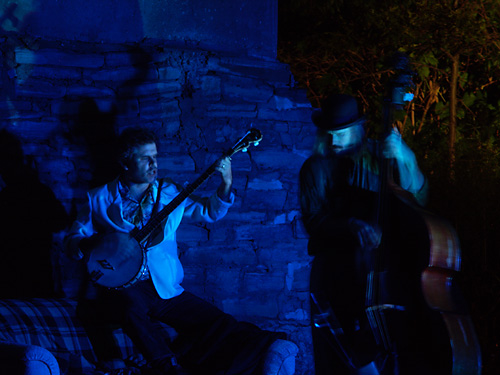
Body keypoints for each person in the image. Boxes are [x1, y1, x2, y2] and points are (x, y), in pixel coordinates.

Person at [65, 127, 284, 375]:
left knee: (218, 323)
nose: (153, 164)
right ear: (125, 163)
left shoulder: (168, 192)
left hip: (164, 286)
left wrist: (226, 181)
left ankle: (258, 349)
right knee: (129, 308)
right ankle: (167, 367)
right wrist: (98, 244)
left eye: (155, 157)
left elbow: (209, 212)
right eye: (144, 158)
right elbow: (73, 241)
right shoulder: (99, 198)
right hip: (122, 287)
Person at [299, 94, 450, 375]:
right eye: (329, 134)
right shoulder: (314, 168)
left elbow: (418, 196)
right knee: (344, 356)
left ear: (357, 128)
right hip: (339, 276)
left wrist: (407, 157)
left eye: (341, 134)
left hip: (388, 274)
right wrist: (351, 225)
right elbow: (314, 221)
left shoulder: (380, 158)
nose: (334, 141)